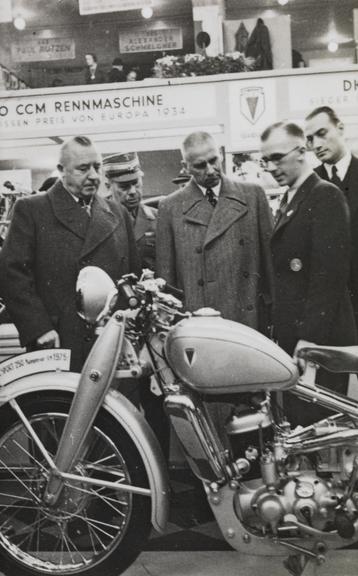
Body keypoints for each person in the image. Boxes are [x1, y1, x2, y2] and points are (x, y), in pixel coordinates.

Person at [0, 136, 140, 373]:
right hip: (56, 343)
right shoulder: (32, 210)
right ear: (61, 170)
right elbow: (11, 274)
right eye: (83, 169)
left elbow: (131, 277)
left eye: (97, 167)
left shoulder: (118, 214)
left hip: (109, 343)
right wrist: (38, 328)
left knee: (116, 409)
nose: (94, 176)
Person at [261, 121, 356, 426]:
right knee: (301, 431)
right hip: (299, 340)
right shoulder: (292, 199)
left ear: (302, 151)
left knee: (321, 434)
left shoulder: (323, 195)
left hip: (319, 344)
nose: (272, 167)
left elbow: (329, 277)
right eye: (266, 160)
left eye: (278, 157)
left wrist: (310, 340)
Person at [156, 130, 274, 331]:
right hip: (199, 321)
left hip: (248, 318)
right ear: (186, 168)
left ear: (220, 154)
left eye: (214, 160)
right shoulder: (170, 207)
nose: (210, 170)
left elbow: (271, 265)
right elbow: (167, 279)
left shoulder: (253, 195)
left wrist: (274, 316)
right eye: (200, 165)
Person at [305, 106, 358, 328]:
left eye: (322, 133)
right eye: (310, 139)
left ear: (341, 128)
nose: (316, 144)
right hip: (330, 313)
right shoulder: (307, 186)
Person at [103, 152, 157, 270]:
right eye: (124, 186)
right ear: (108, 186)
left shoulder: (157, 217)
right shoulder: (98, 218)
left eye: (136, 184)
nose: (133, 191)